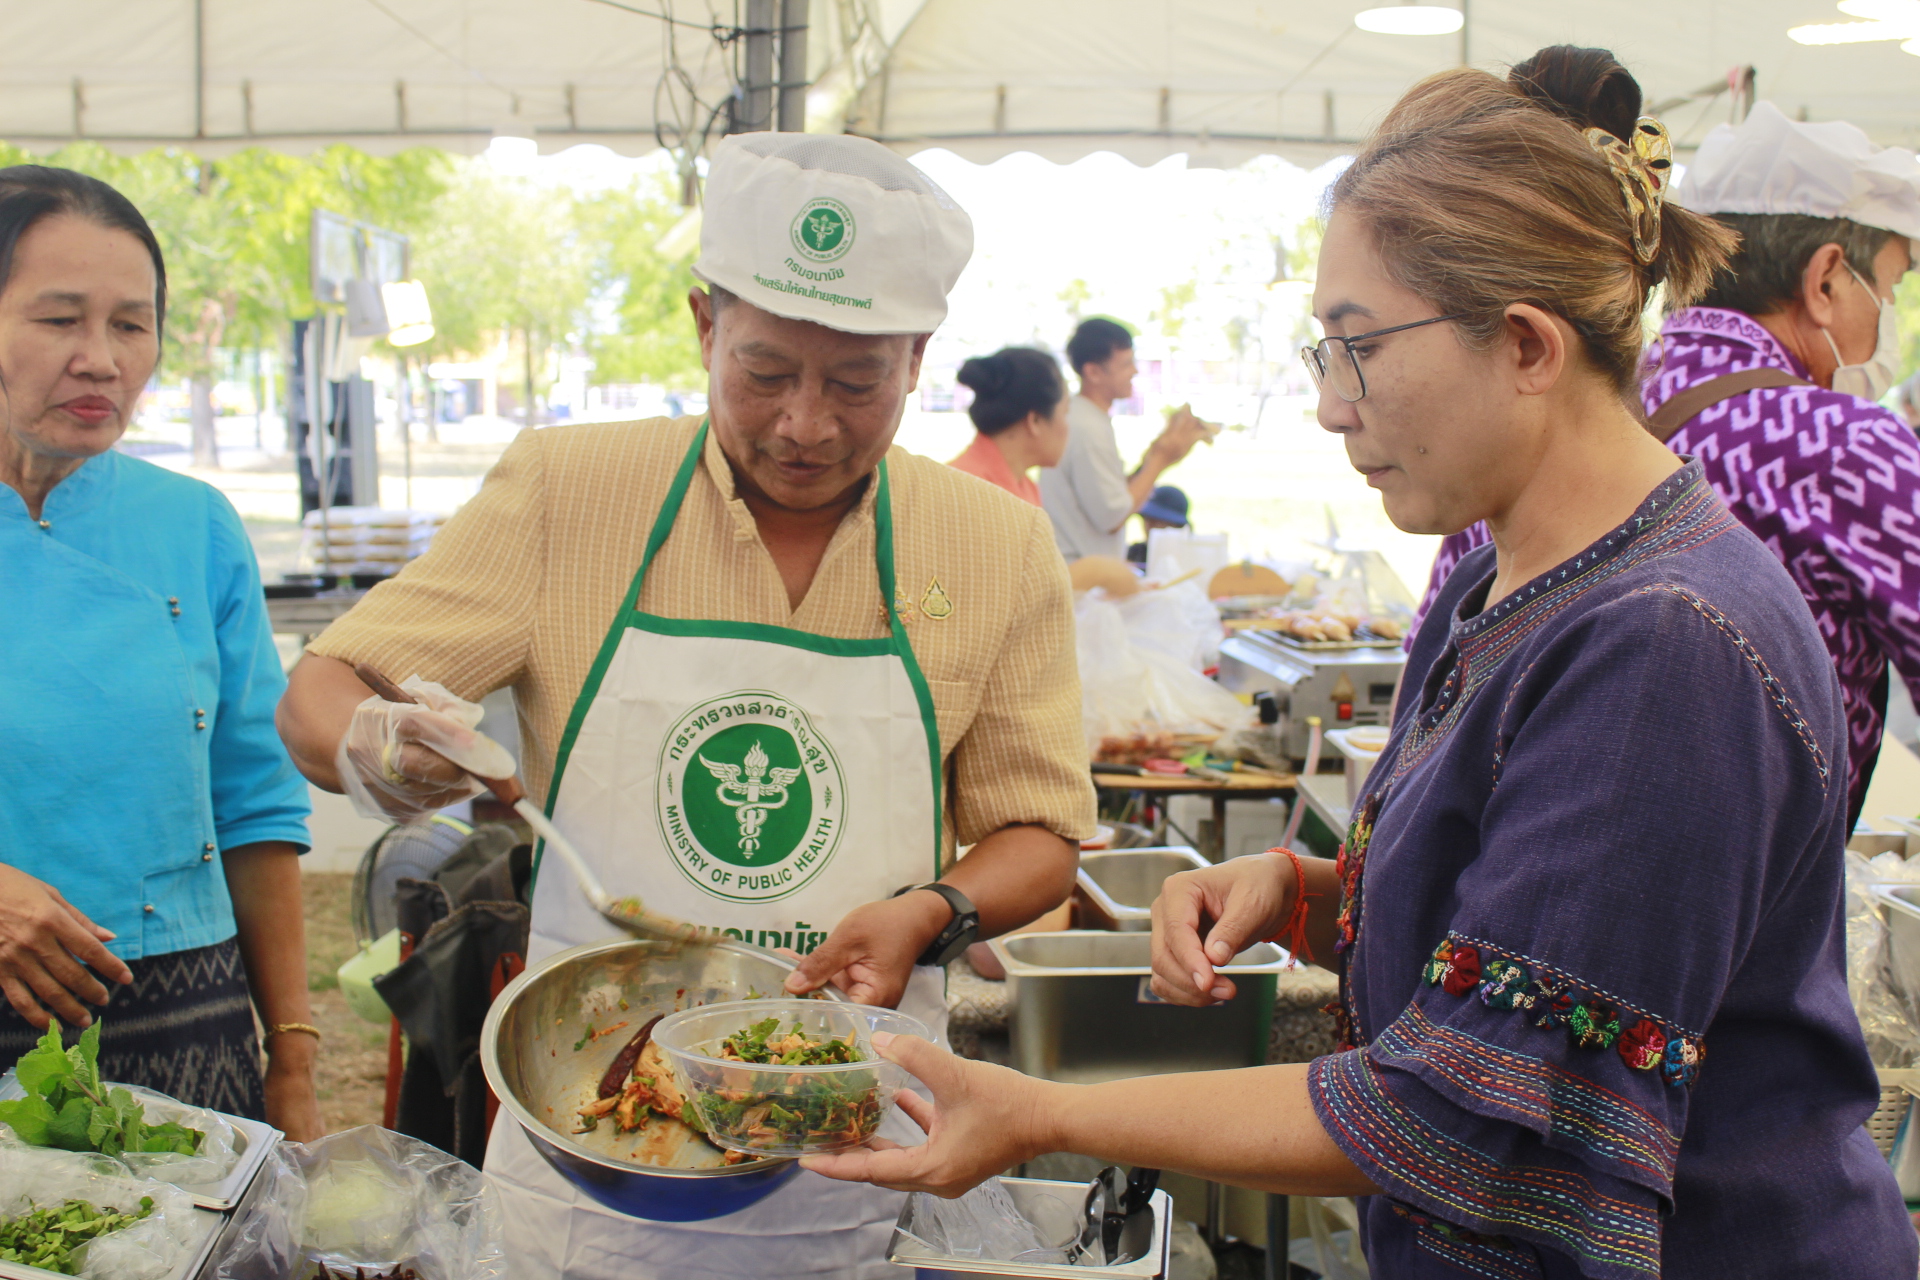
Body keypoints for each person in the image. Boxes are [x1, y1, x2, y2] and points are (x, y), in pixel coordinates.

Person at [802, 48, 1917, 1278]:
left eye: (1361, 345)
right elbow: (1517, 920)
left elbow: (1466, 1113)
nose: (1334, 404)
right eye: (1322, 350)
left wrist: (1040, 1111)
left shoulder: (1666, 646)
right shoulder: (1499, 580)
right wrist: (1309, 891)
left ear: (1528, 345)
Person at [275, 132, 1095, 1279]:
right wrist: (376, 743)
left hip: (857, 1144)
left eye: (855, 382)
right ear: (706, 324)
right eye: (765, 371)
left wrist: (932, 908)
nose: (805, 423)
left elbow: (1042, 834)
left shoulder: (993, 541)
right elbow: (320, 692)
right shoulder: (570, 491)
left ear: (917, 359)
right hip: (591, 1148)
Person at [1416, 101, 1920, 825]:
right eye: (1892, 289)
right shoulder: (1847, 447)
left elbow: (1428, 679)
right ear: (1827, 280)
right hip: (1730, 882)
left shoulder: (1534, 410)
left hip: (1496, 857)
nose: (1889, 318)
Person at [0, 167, 318, 1135]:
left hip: (182, 1009)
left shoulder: (195, 526)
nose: (101, 360)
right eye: (60, 319)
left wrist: (293, 1058)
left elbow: (254, 800)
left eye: (131, 325)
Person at [1037, 317, 1210, 560]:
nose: (1135, 371)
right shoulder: (1087, 428)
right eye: (1126, 364)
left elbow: (1111, 495)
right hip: (1081, 575)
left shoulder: (1088, 418)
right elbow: (1112, 517)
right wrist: (1161, 459)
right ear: (1093, 372)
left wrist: (1155, 455)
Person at [947, 345, 1068, 505]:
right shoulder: (961, 489)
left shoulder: (1026, 487)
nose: (1067, 428)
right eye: (1065, 413)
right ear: (1035, 421)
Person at [1126, 483, 1188, 564]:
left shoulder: (1188, 554)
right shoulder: (1136, 553)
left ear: (1176, 525)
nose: (1148, 526)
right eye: (1146, 519)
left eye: (1156, 522)